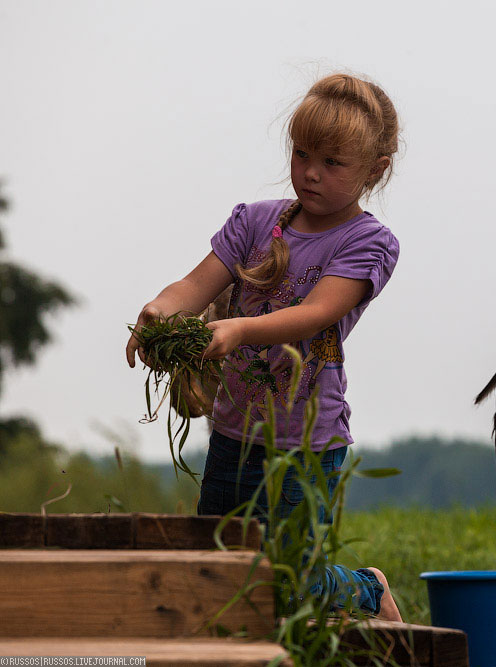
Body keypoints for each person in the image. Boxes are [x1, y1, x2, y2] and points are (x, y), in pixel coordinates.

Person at [125, 72, 402, 622]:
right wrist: (159, 311)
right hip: (233, 432)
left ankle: (367, 590)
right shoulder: (253, 222)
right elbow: (193, 286)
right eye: (301, 154)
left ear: (375, 170)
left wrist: (239, 330)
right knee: (220, 563)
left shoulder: (368, 242)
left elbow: (317, 313)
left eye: (332, 161)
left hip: (307, 442)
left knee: (287, 579)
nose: (310, 172)